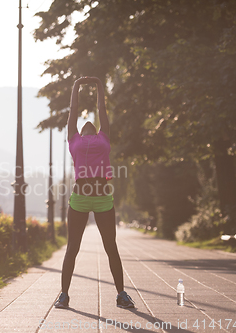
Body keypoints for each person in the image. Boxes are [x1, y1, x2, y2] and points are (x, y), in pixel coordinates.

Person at [54, 76, 135, 309]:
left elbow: (102, 108)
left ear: (98, 129)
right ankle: (64, 295)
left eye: (93, 122)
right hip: (79, 198)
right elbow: (73, 110)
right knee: (72, 248)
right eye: (83, 123)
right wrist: (76, 86)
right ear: (78, 131)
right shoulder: (73, 140)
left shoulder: (103, 137)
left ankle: (121, 294)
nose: (88, 121)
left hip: (102, 199)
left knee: (111, 246)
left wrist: (99, 85)